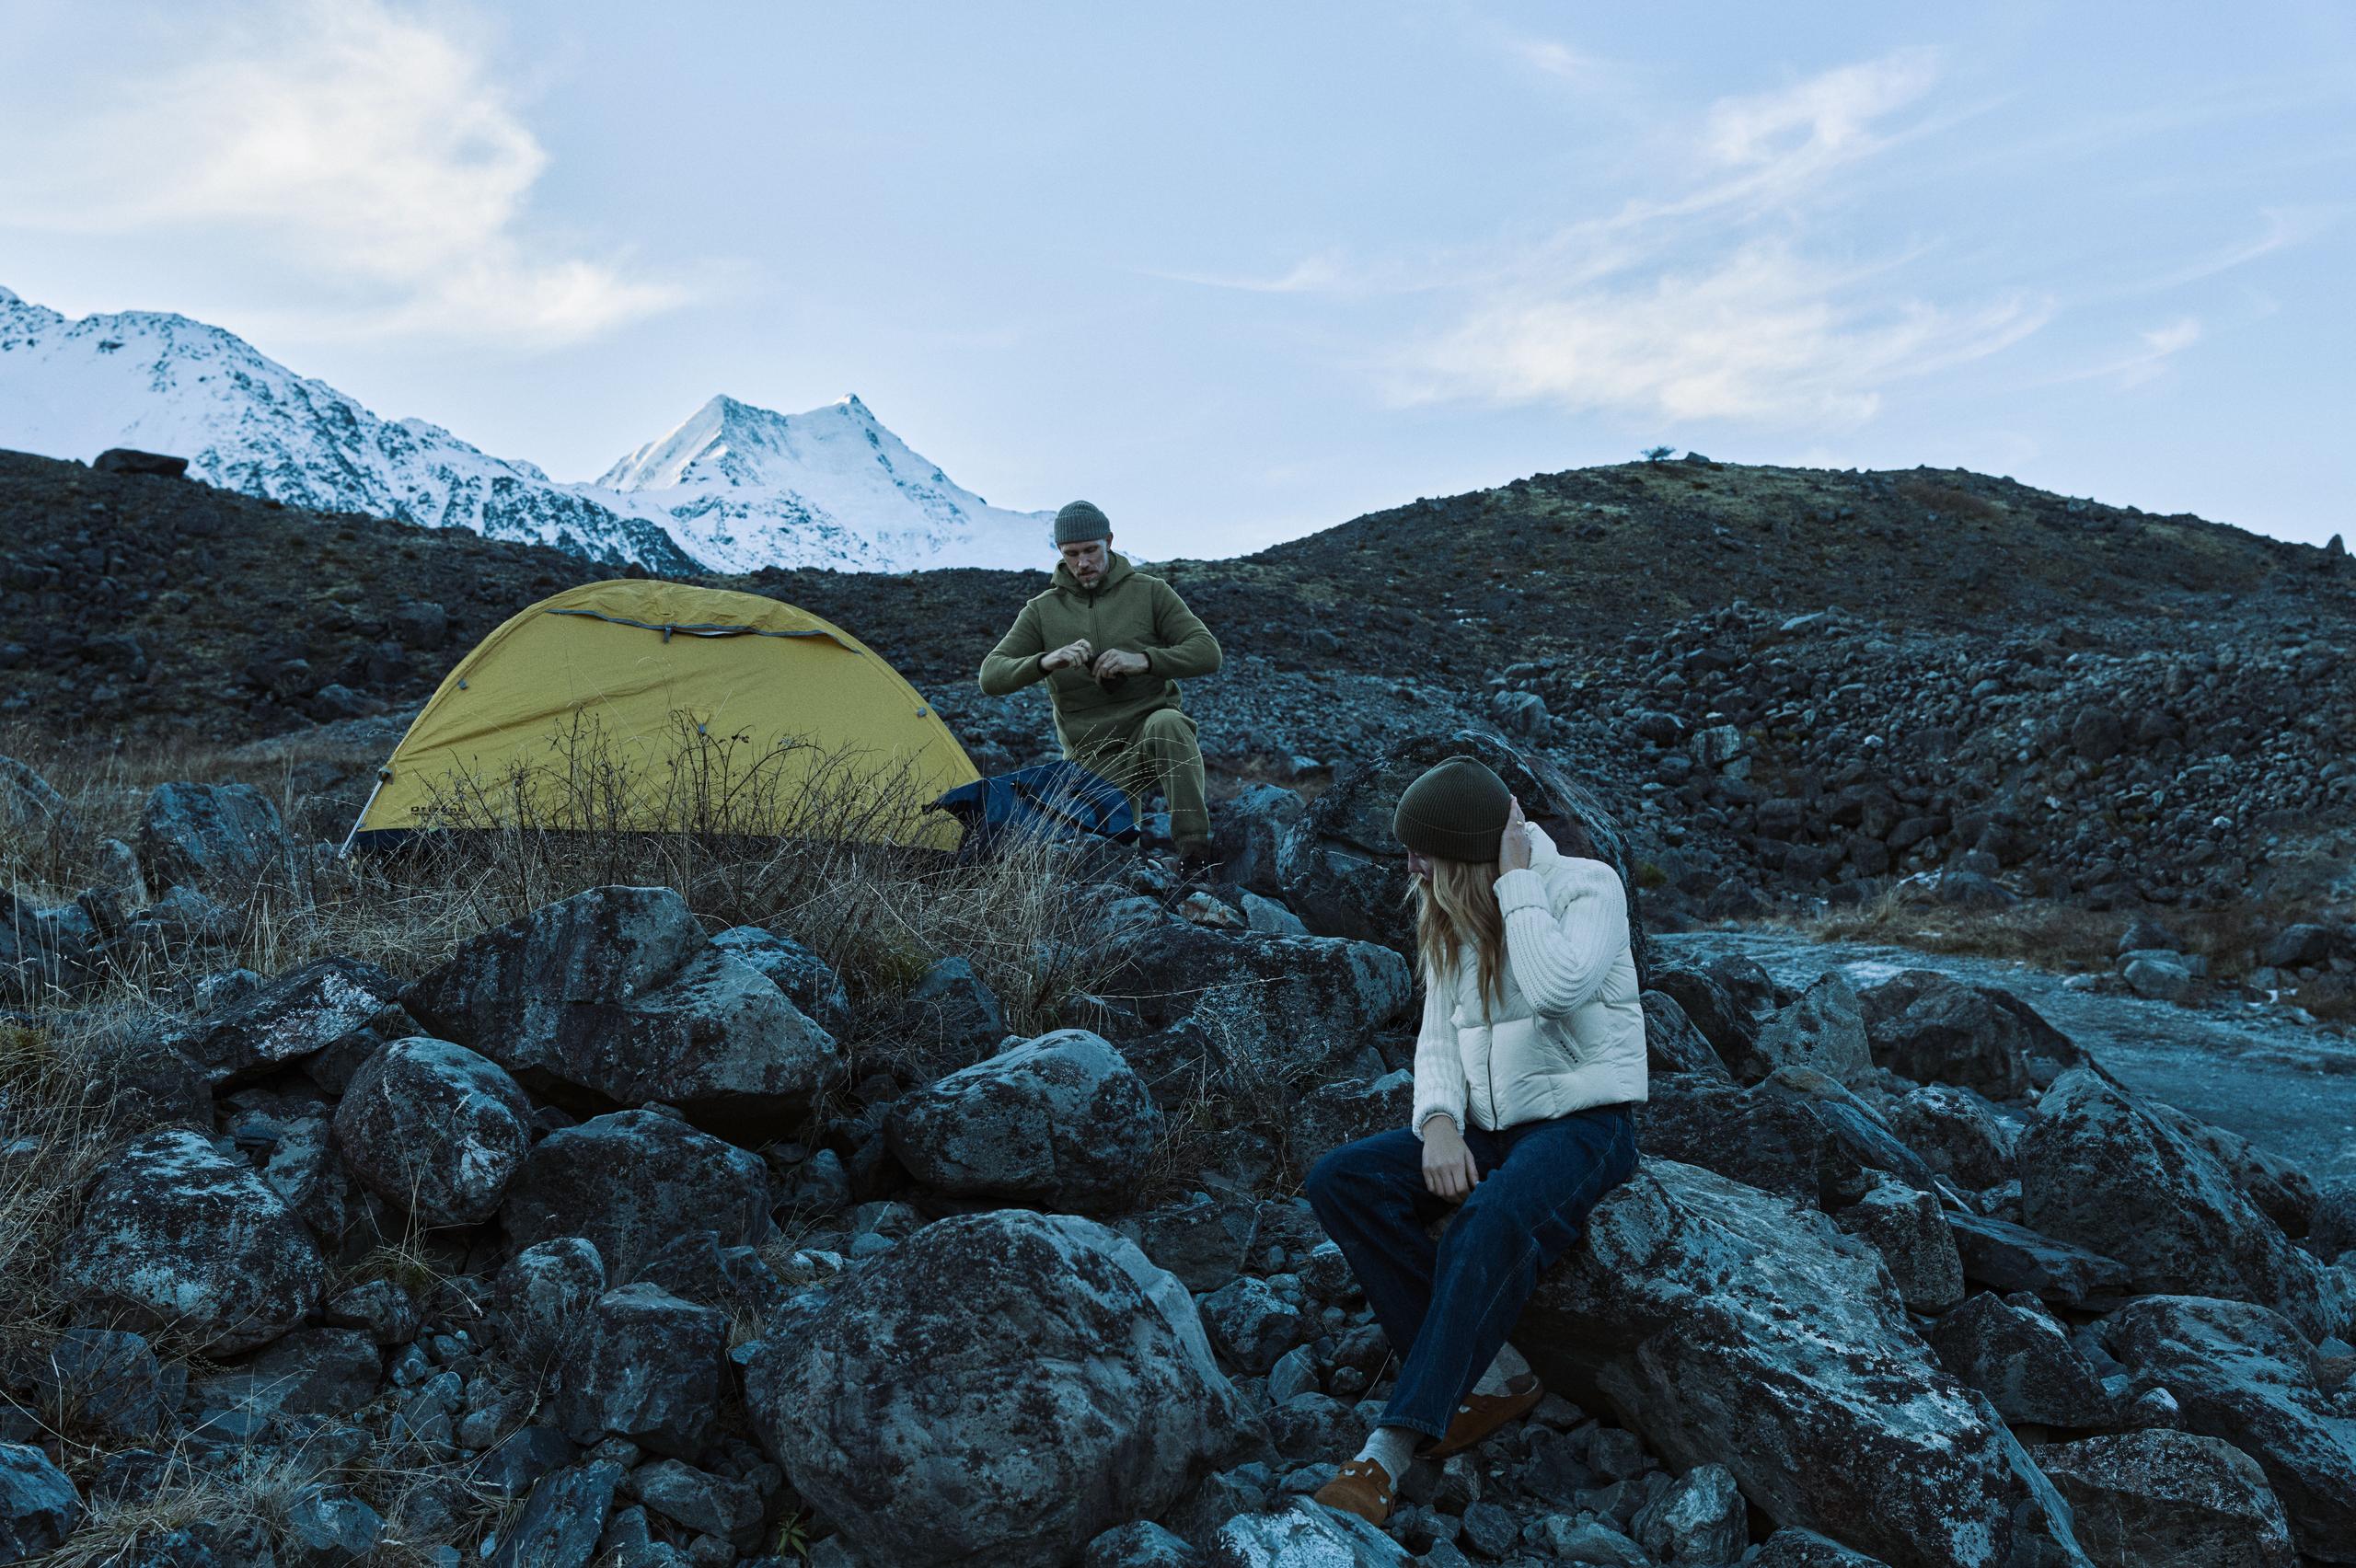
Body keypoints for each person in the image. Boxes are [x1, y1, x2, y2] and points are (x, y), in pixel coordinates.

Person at [1305, 755, 1646, 1527]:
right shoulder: (1445, 914)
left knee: (1487, 1223)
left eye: (1423, 851)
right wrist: (1437, 1125)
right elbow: (1436, 1044)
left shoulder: (1587, 887)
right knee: (1340, 1179)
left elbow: (1560, 988)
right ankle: (1492, 1372)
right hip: (1490, 1129)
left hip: (1586, 1122)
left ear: (1468, 853)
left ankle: (1388, 1448)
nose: (1410, 865)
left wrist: (1515, 883)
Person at [977, 499, 1223, 868]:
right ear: (1059, 552)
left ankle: (1195, 854)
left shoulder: (1151, 591)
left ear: (1109, 541)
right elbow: (990, 676)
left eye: (1091, 550)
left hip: (1149, 737)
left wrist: (1142, 660)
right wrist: (1045, 661)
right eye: (1072, 553)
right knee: (1111, 865)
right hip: (1090, 761)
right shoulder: (1041, 610)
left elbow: (1207, 652)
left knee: (1169, 723)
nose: (1083, 563)